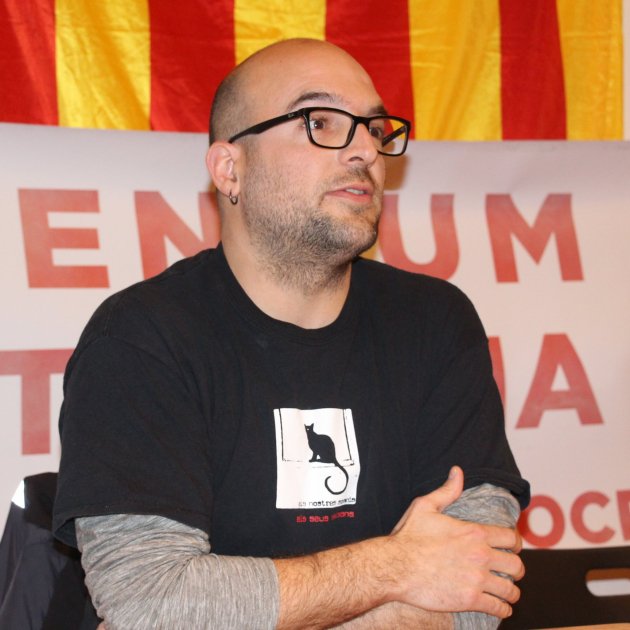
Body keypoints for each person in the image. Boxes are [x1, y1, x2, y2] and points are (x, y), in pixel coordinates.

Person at [53, 38, 530, 629]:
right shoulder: (140, 339)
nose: (365, 150)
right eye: (320, 122)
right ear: (230, 169)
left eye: (374, 128)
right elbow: (150, 603)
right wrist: (395, 566)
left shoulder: (437, 321)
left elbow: (479, 584)